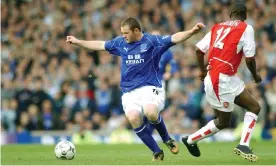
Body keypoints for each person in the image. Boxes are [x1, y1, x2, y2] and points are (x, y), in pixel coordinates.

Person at [66, 17, 205, 161]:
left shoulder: (152, 41)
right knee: (133, 118)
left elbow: (174, 37)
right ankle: (157, 152)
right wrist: (78, 42)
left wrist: (192, 31)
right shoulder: (120, 42)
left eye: (126, 33)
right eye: (122, 33)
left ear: (136, 30)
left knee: (151, 112)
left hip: (150, 87)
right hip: (129, 91)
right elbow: (100, 44)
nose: (123, 36)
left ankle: (167, 139)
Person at [181, 3, 262, 162]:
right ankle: (191, 140)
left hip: (220, 77)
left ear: (230, 14)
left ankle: (242, 144)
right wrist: (255, 76)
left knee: (253, 107)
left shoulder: (217, 27)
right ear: (244, 16)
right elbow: (250, 59)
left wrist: (202, 71)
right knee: (225, 121)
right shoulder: (246, 28)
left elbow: (199, 50)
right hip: (221, 80)